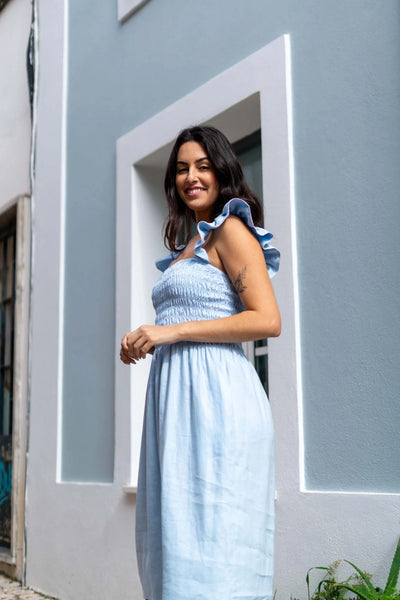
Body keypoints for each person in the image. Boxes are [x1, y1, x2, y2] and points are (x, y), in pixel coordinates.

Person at [120, 125, 281, 600]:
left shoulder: (231, 229)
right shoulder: (188, 246)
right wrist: (144, 340)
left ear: (222, 171)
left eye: (203, 166)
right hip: (175, 406)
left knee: (215, 539)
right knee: (177, 537)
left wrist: (169, 332)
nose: (191, 176)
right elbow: (187, 318)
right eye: (182, 168)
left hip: (218, 403)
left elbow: (267, 320)